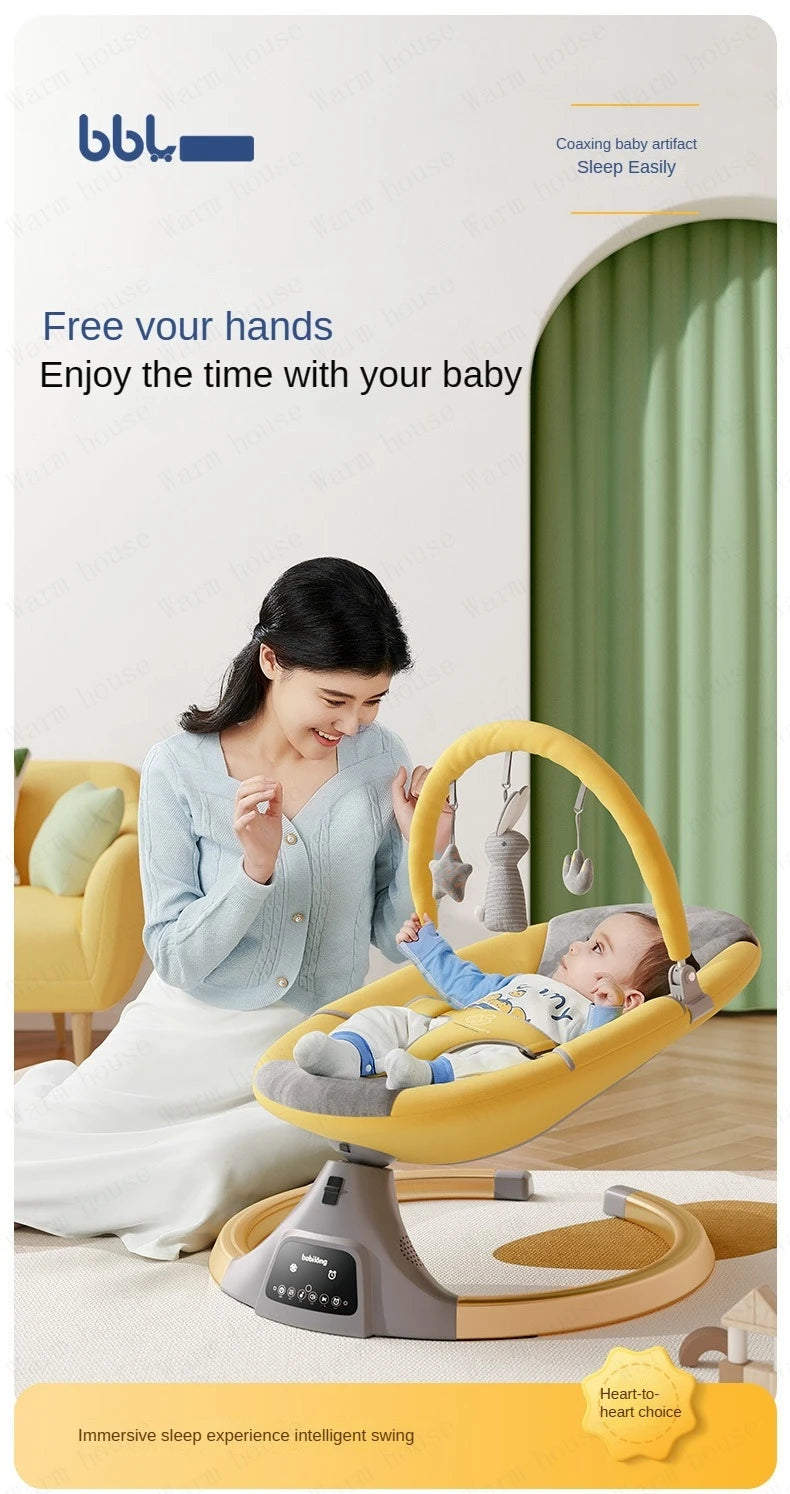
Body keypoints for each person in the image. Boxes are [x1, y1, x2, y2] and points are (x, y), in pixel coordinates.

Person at [15, 557, 452, 1258]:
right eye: (335, 699)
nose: (354, 721)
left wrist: (417, 846)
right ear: (272, 660)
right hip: (182, 1039)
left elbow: (398, 943)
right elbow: (177, 959)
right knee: (45, 1146)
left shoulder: (380, 759)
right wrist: (254, 869)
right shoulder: (177, 767)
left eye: (373, 701)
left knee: (206, 1173)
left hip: (315, 1050)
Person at [293, 910, 673, 1089]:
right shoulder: (522, 982)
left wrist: (608, 1012)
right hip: (445, 1026)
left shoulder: (586, 1017)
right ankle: (346, 1055)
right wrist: (426, 946)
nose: (575, 945)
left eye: (596, 948)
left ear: (629, 998)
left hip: (500, 1050)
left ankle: (426, 1075)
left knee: (506, 1064)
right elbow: (464, 983)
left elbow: (596, 1054)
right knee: (388, 1016)